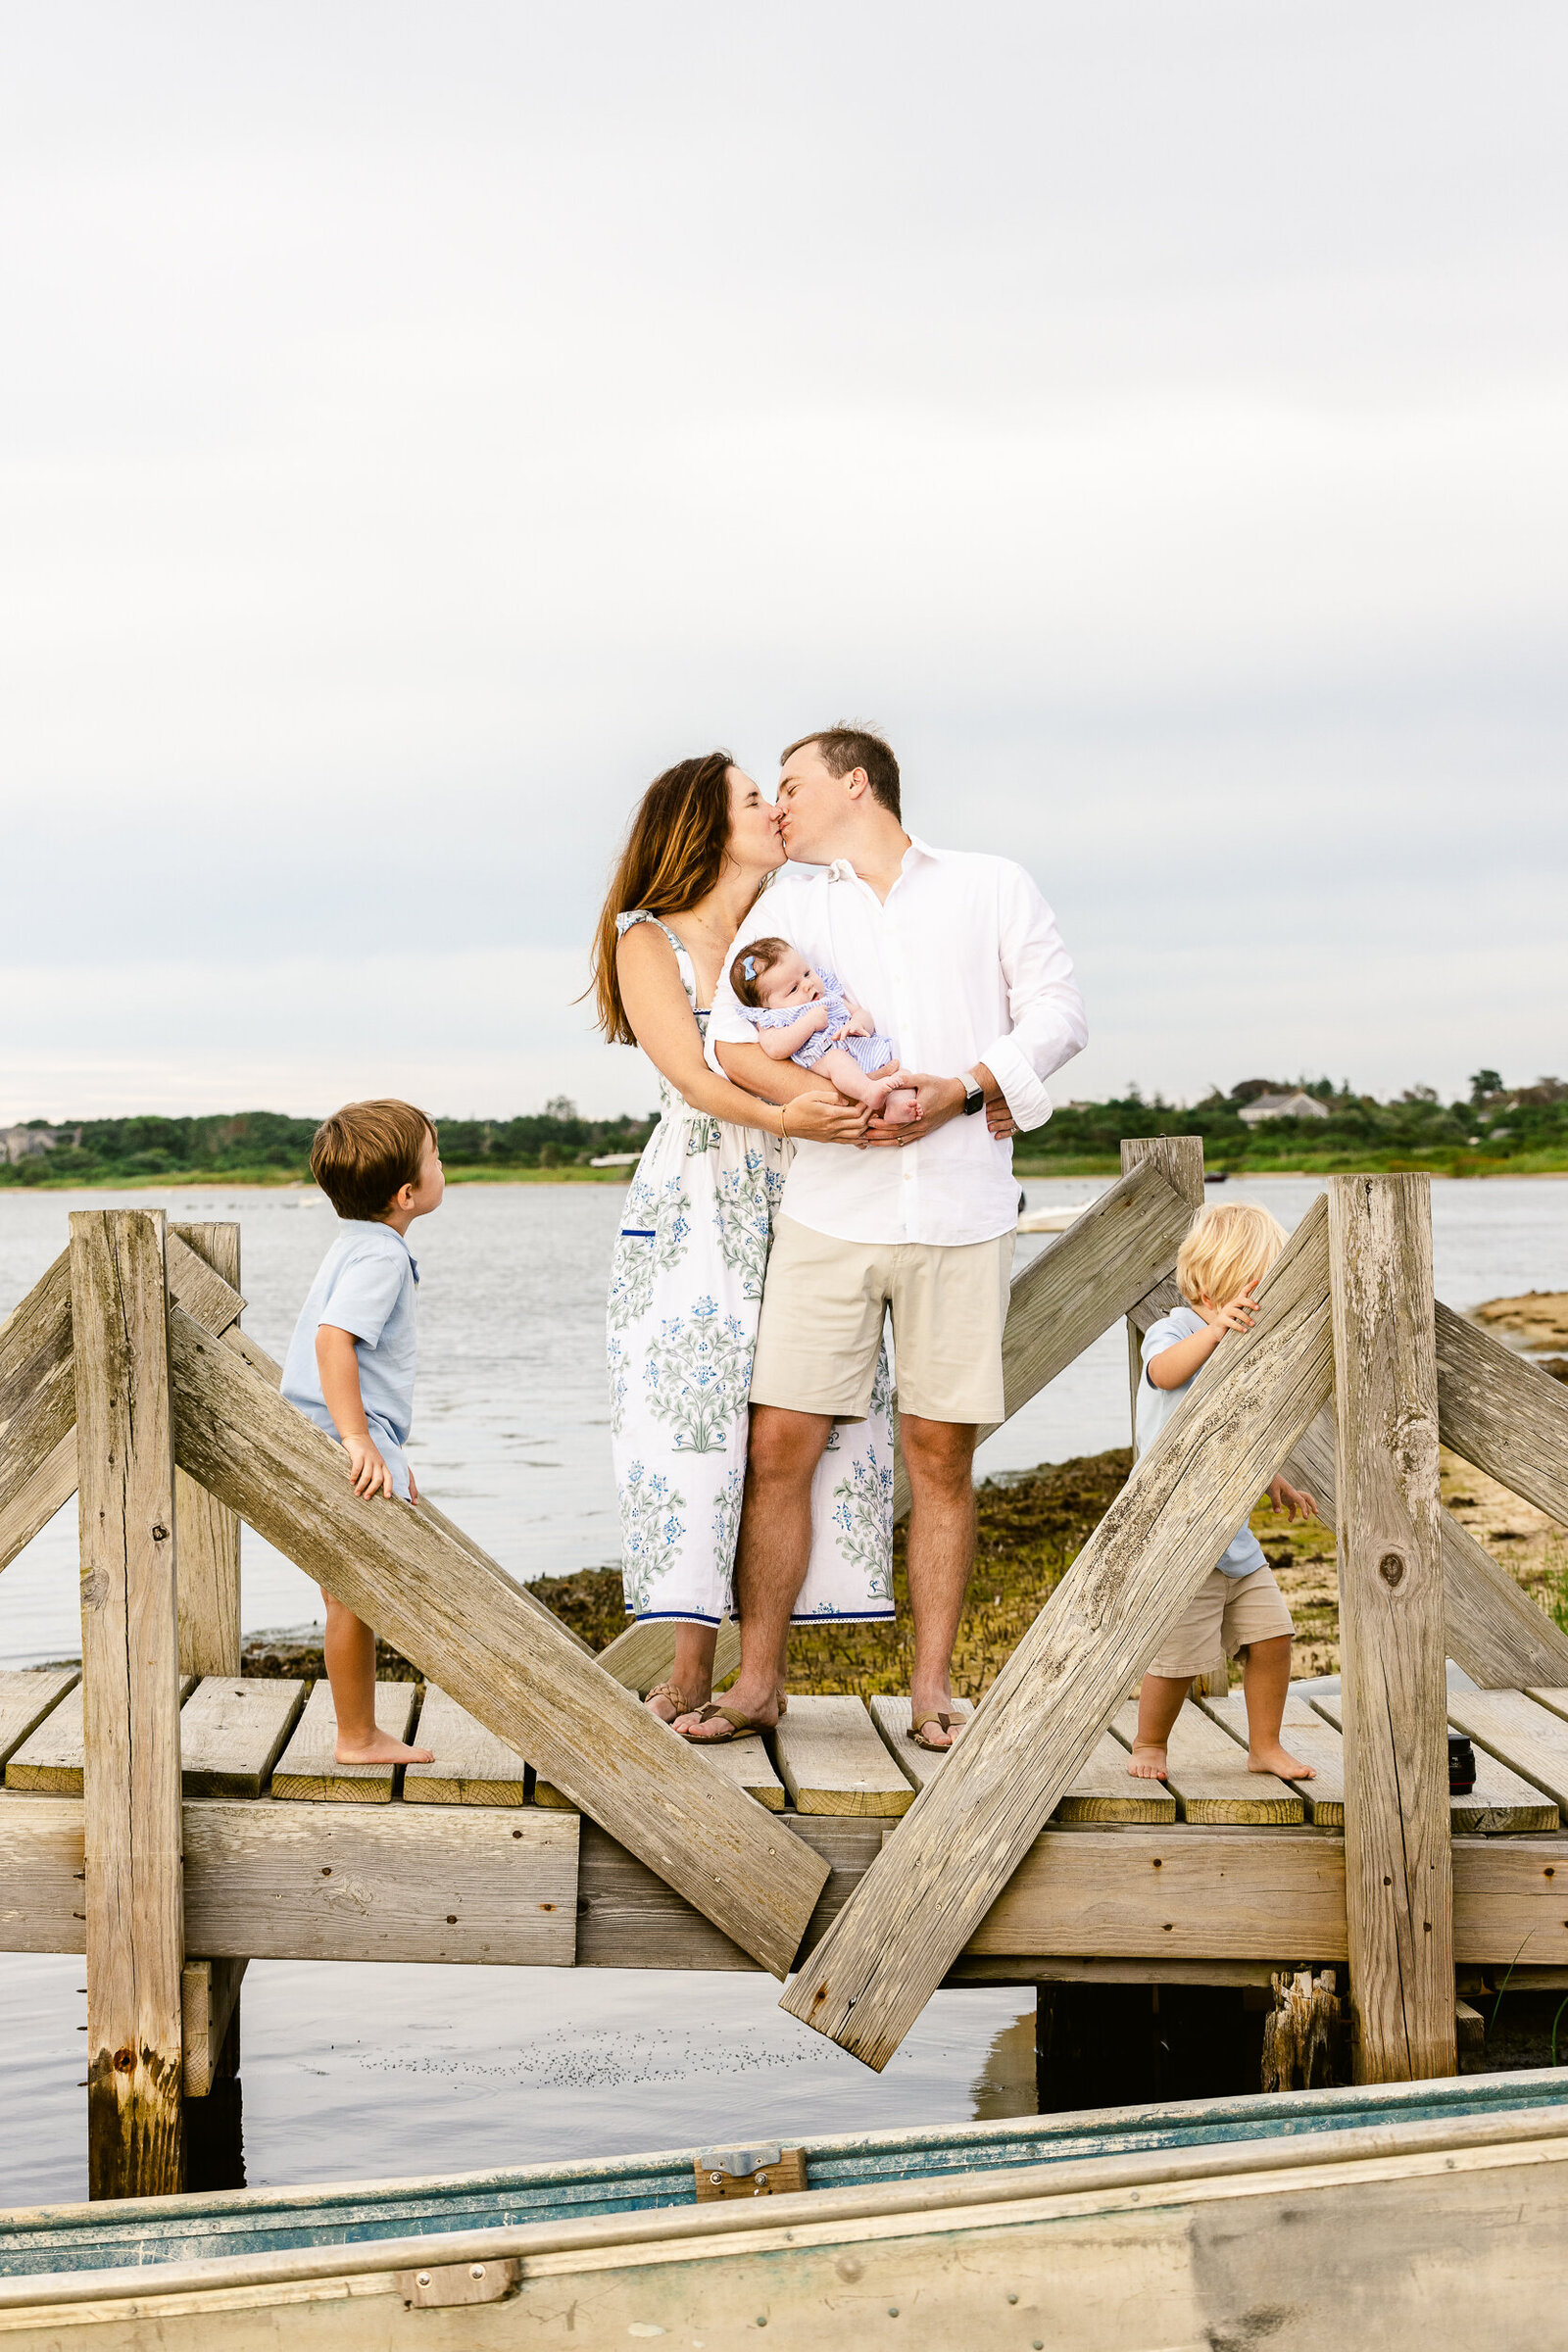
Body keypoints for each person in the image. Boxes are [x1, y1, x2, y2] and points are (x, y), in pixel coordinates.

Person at [687, 723, 1087, 1748]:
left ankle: (932, 1692)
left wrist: (967, 1088)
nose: (777, 806)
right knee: (779, 1445)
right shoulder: (783, 907)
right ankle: (757, 1683)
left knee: (939, 1455)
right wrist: (820, 1097)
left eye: (791, 784)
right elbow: (730, 1043)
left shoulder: (990, 884)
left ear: (854, 783)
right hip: (829, 1211)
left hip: (958, 1211)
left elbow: (1058, 1013)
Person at [589, 752, 898, 1731]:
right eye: (754, 798)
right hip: (699, 1198)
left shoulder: (798, 920)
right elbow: (690, 1075)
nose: (774, 809)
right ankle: (688, 1669)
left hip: (814, 1184)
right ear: (702, 822)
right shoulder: (651, 939)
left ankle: (761, 1679)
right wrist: (792, 1119)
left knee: (796, 1428)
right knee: (695, 1431)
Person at [1124, 1200, 1320, 1785]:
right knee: (1178, 1655)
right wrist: (1212, 1332)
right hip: (1177, 1530)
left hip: (1231, 1531)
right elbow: (1162, 1372)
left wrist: (1273, 1478)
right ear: (1213, 1281)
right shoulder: (1179, 1329)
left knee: (1273, 1636)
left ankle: (1265, 1744)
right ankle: (1150, 1741)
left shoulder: (1241, 1346)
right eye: (1257, 1287)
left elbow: (1234, 1431)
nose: (1261, 1304)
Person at [281, 1099, 445, 1766]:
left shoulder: (357, 1242)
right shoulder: (381, 1258)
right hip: (344, 1435)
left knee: (347, 1593)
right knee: (355, 1592)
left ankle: (359, 1732)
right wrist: (359, 1441)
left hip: (330, 1429)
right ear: (407, 1193)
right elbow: (333, 1341)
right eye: (437, 1157)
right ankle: (356, 1736)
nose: (443, 1167)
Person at [730, 937, 920, 1123]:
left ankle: (897, 1108)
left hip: (869, 1056)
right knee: (837, 1059)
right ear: (765, 1006)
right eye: (793, 989)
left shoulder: (827, 995)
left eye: (806, 973)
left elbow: (863, 1014)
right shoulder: (772, 1018)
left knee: (904, 1075)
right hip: (827, 1061)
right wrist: (808, 1024)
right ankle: (868, 1091)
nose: (807, 984)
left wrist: (857, 1023)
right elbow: (774, 1049)